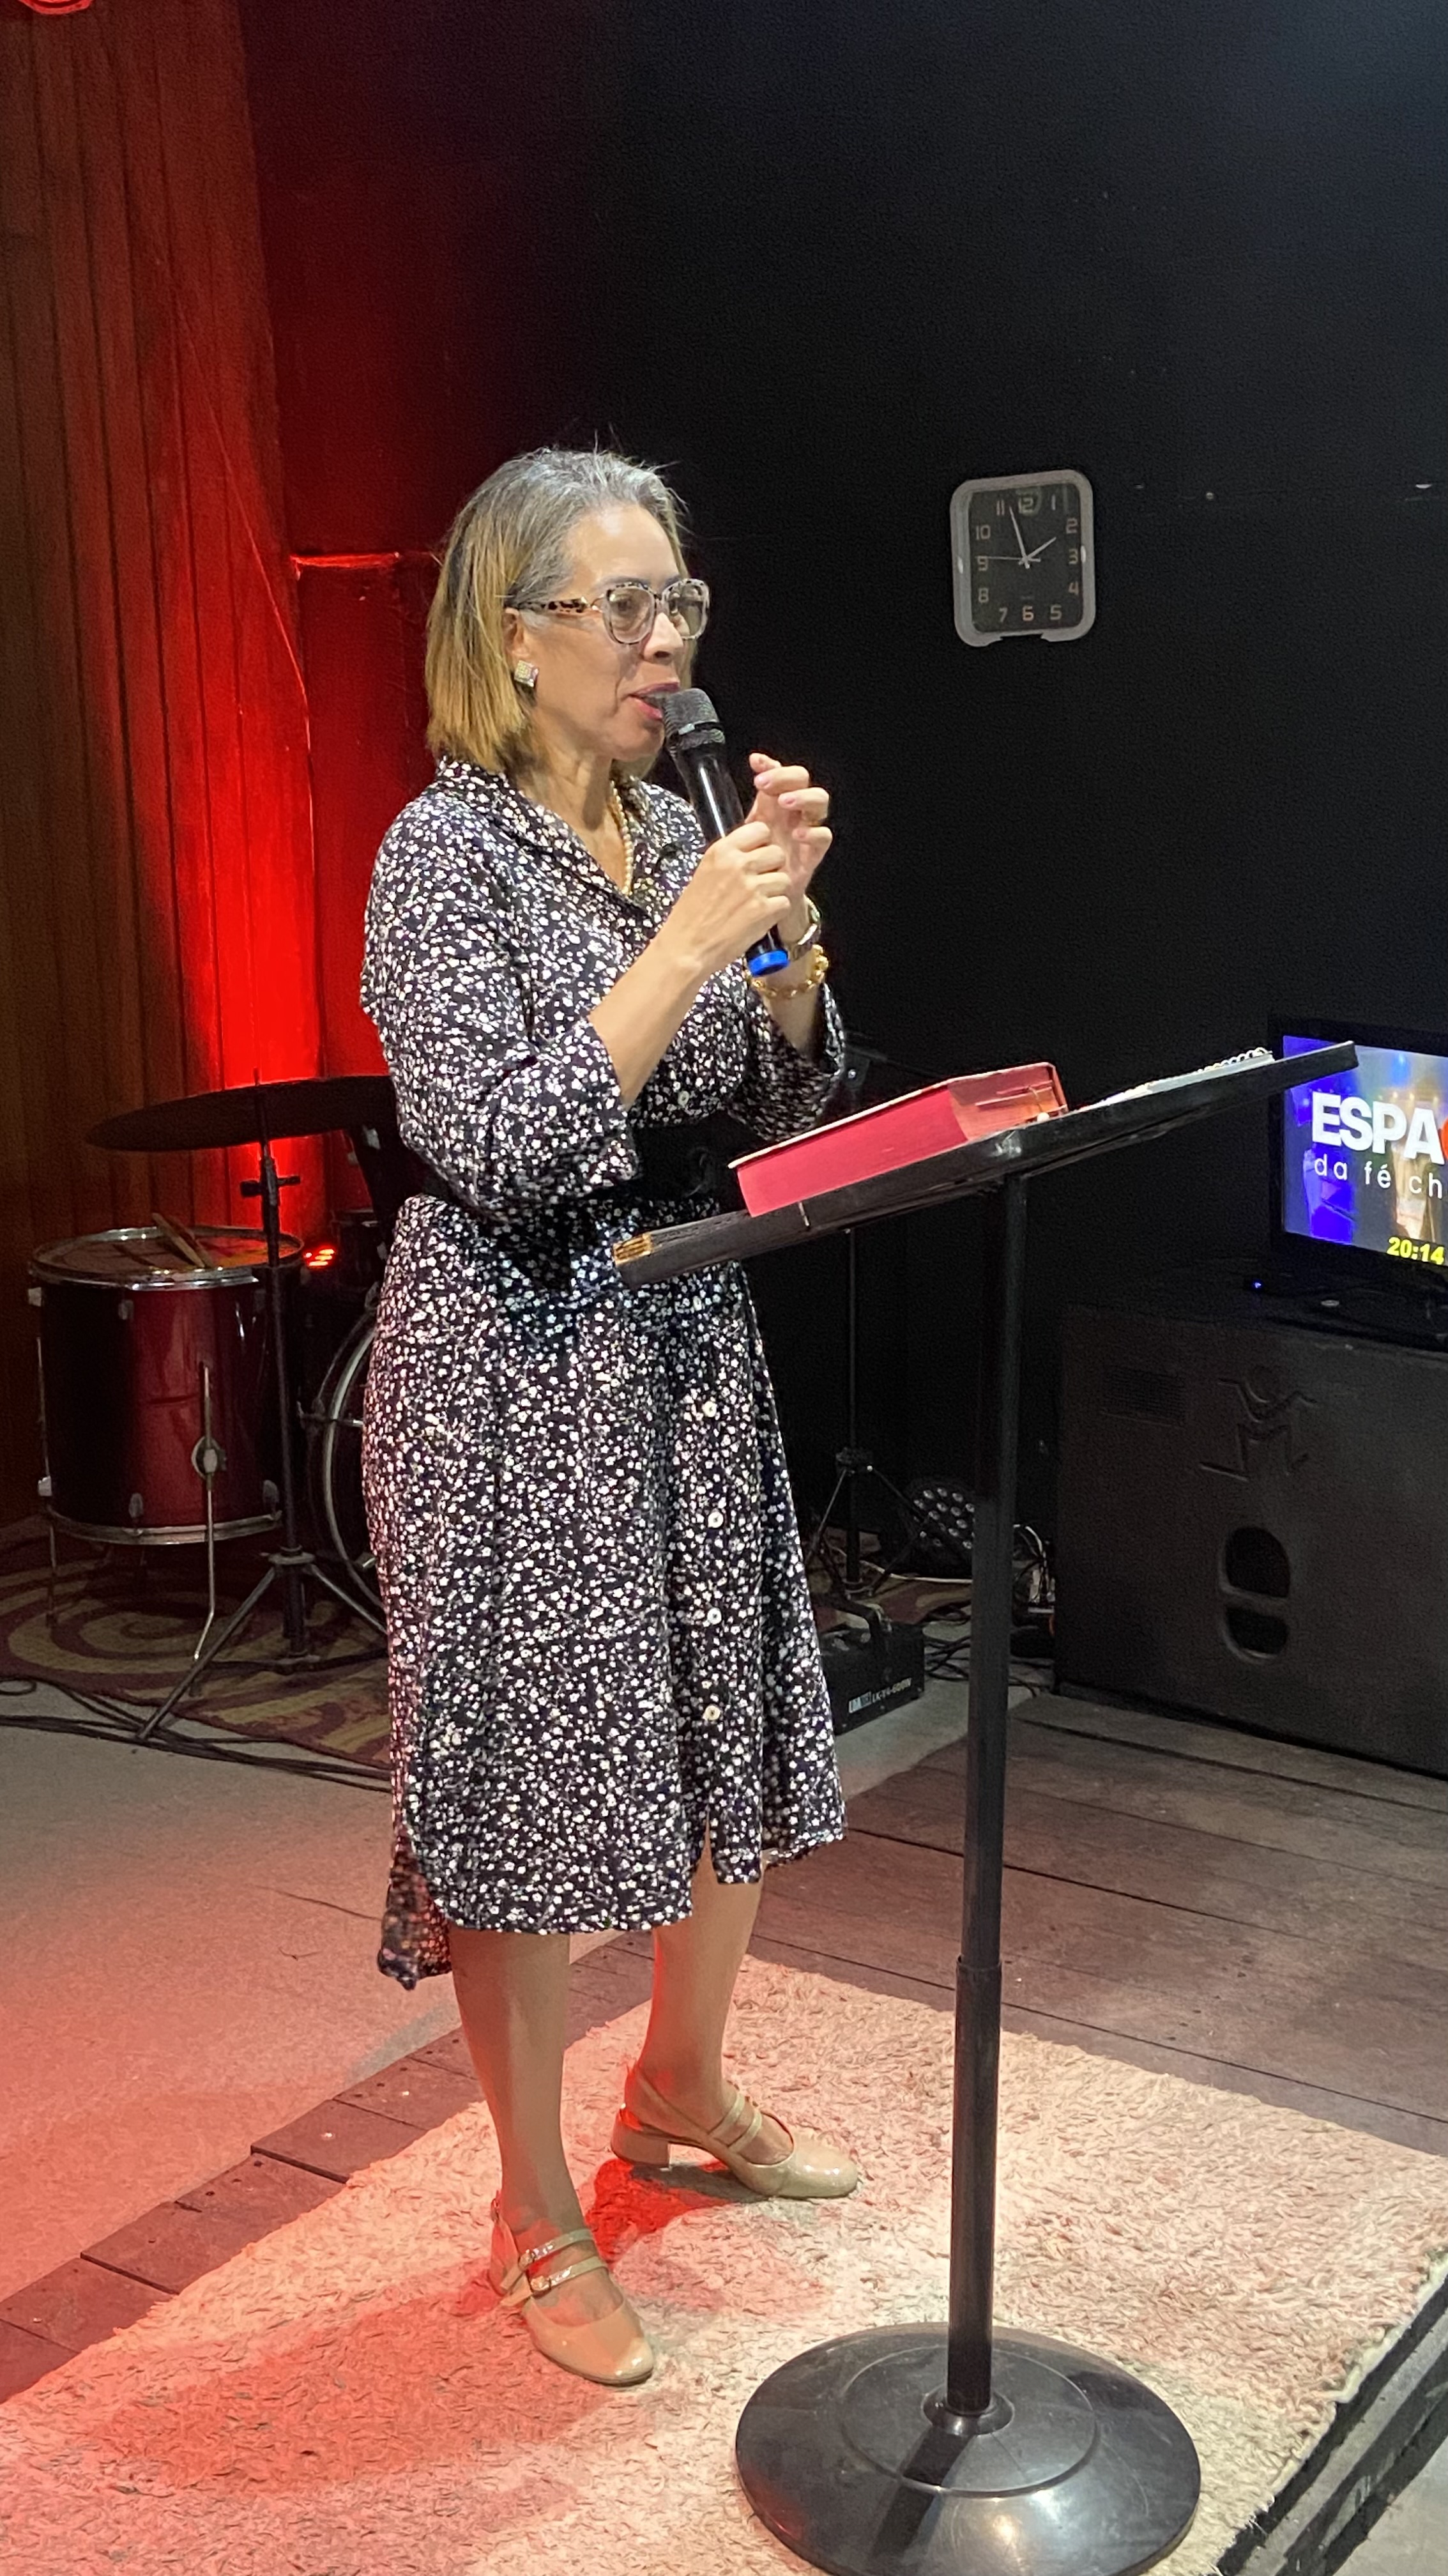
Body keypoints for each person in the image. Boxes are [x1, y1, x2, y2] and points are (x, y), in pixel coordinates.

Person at [361, 447, 857, 2392]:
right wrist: (683, 946)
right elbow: (502, 1139)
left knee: (726, 1728)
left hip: (684, 1332)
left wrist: (788, 956)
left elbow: (789, 1113)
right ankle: (531, 2207)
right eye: (623, 608)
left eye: (681, 605)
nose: (666, 644)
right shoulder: (443, 856)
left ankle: (681, 2087)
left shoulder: (681, 830)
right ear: (513, 635)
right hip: (510, 1359)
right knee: (531, 1788)